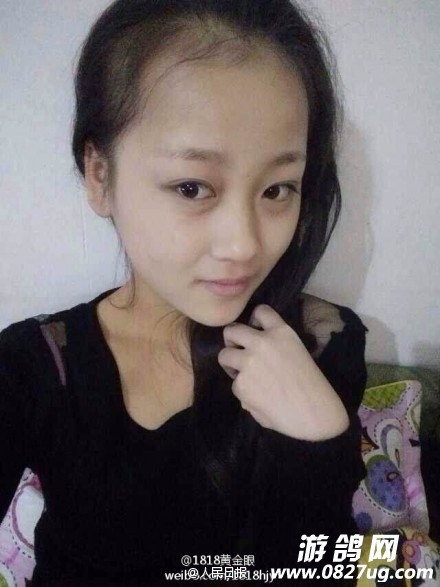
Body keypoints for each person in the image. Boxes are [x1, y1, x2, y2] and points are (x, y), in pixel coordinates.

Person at [0, 0, 370, 585]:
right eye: (193, 187)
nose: (245, 245)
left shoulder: (325, 343)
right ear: (100, 175)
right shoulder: (33, 369)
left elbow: (317, 569)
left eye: (277, 189)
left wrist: (319, 440)